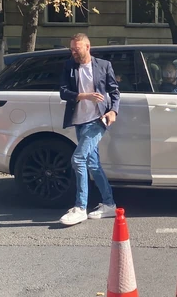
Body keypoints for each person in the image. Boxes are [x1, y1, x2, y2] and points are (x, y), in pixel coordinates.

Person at [59, 33, 120, 226]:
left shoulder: (103, 65)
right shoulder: (69, 66)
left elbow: (114, 91)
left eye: (76, 49)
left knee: (78, 159)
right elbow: (63, 92)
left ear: (87, 47)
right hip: (79, 121)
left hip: (97, 120)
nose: (73, 53)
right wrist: (84, 96)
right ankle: (109, 204)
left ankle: (80, 208)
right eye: (71, 49)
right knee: (93, 164)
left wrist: (113, 111)